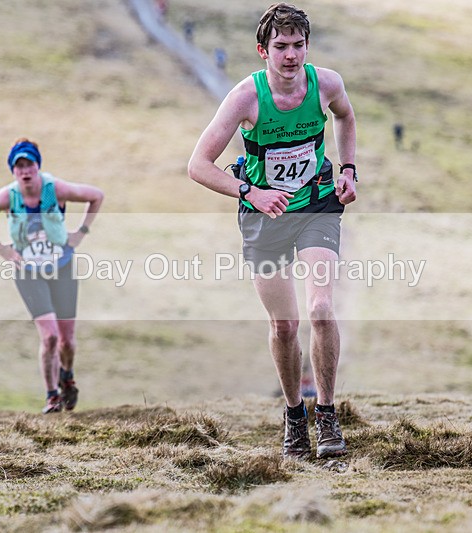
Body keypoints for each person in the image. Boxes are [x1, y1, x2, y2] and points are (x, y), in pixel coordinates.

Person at [188, 3, 357, 460]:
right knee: (285, 324)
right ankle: (293, 416)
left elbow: (344, 116)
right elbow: (198, 166)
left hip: (317, 204)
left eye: (298, 45)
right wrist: (250, 192)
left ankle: (326, 415)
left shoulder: (326, 84)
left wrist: (347, 170)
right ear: (263, 50)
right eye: (280, 46)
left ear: (307, 47)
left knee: (321, 309)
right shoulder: (245, 97)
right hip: (264, 216)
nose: (290, 56)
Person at [0, 138, 104, 414]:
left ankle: (67, 376)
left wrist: (80, 233)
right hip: (28, 272)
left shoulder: (55, 189)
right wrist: (0, 248)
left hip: (61, 267)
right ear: (13, 171)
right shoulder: (9, 197)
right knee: (50, 337)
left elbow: (96, 195)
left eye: (29, 164)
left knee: (66, 339)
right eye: (19, 166)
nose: (25, 171)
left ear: (38, 166)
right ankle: (52, 396)